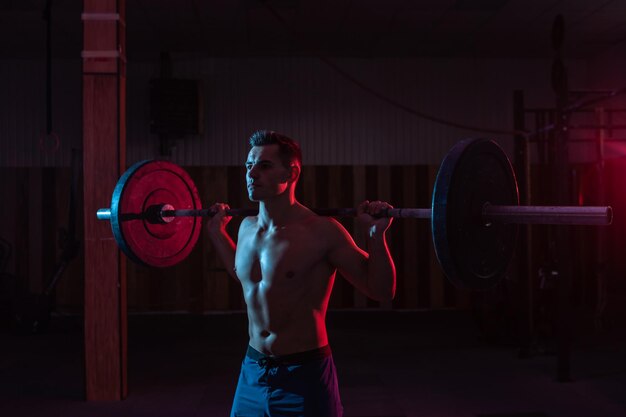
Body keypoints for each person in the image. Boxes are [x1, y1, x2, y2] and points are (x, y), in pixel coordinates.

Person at [207, 130, 396, 417]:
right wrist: (217, 234)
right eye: (249, 166)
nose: (252, 174)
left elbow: (381, 291)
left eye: (264, 166)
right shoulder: (245, 227)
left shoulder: (322, 232)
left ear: (292, 173)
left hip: (304, 375)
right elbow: (248, 279)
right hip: (252, 371)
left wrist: (376, 234)